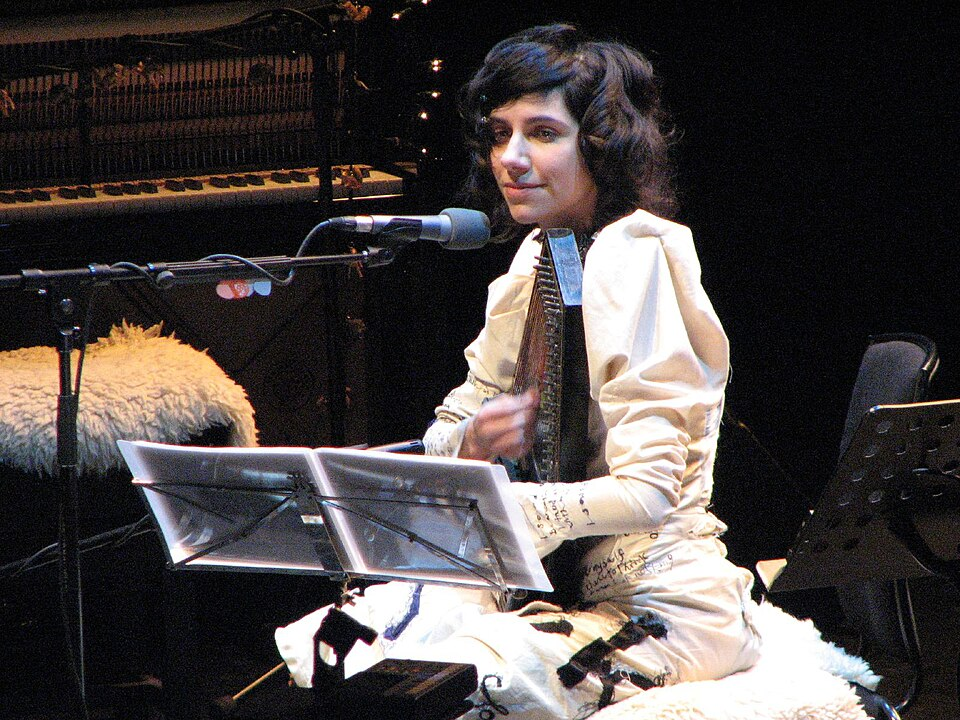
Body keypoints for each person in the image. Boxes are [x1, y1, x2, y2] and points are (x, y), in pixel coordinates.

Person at [276, 23, 761, 719]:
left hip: (663, 606)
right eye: (500, 133)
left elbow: (650, 492)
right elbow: (451, 425)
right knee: (351, 640)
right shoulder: (533, 262)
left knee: (474, 678)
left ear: (599, 144)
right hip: (549, 587)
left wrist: (508, 512)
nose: (511, 157)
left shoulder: (637, 257)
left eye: (541, 132)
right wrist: (474, 443)